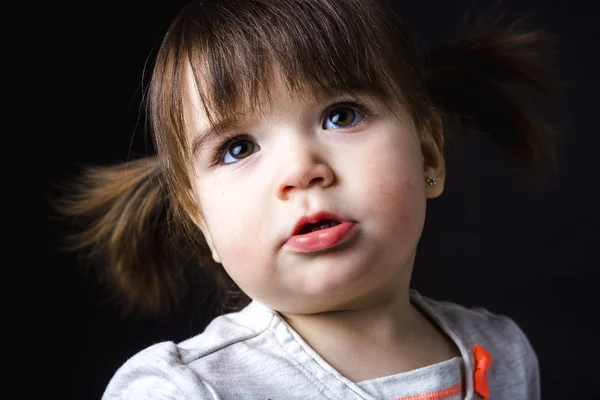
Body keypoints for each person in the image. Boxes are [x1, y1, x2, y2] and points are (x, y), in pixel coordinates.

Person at [56, 0, 559, 398]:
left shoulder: (502, 353)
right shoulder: (185, 391)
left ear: (428, 155)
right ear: (200, 220)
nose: (300, 170)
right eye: (238, 148)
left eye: (341, 116)